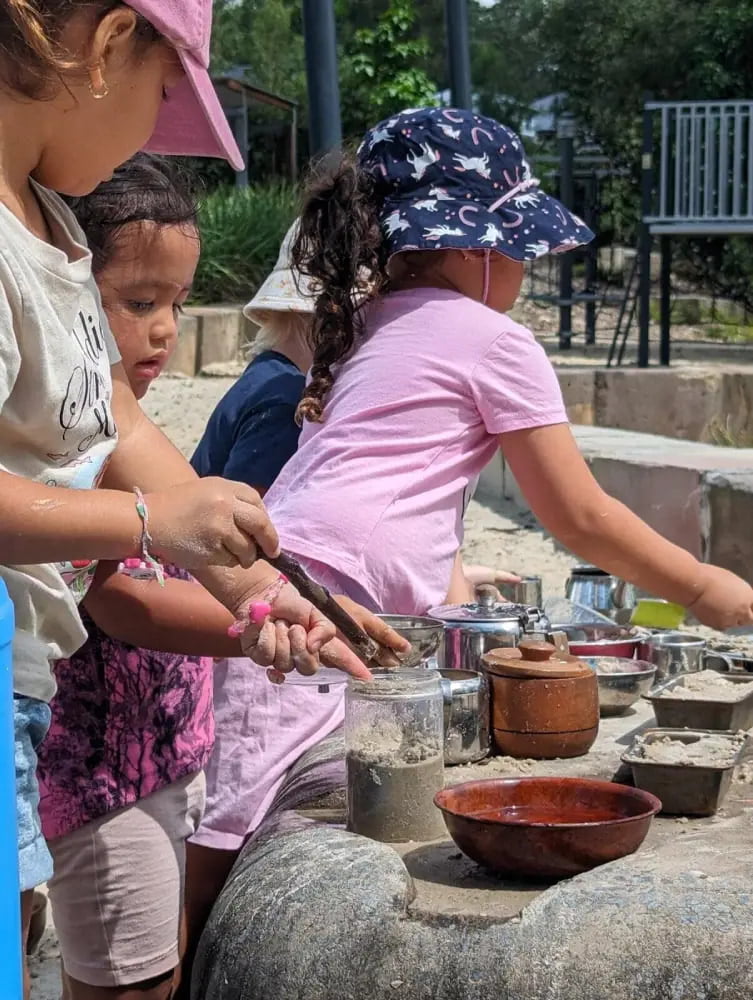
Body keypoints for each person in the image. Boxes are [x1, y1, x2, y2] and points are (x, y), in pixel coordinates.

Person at [185, 105, 753, 959]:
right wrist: (707, 589)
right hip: (319, 614)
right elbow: (580, 515)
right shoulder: (492, 340)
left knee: (222, 828)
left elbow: (412, 493)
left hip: (280, 581)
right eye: (519, 248)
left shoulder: (367, 320)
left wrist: (454, 597)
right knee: (229, 841)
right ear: (475, 249)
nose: (525, 266)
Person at [0, 3, 380, 993]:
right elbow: (147, 507)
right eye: (166, 89)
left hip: (27, 686)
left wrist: (267, 593)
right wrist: (150, 522)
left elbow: (118, 422)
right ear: (109, 45)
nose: (159, 121)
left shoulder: (52, 224)